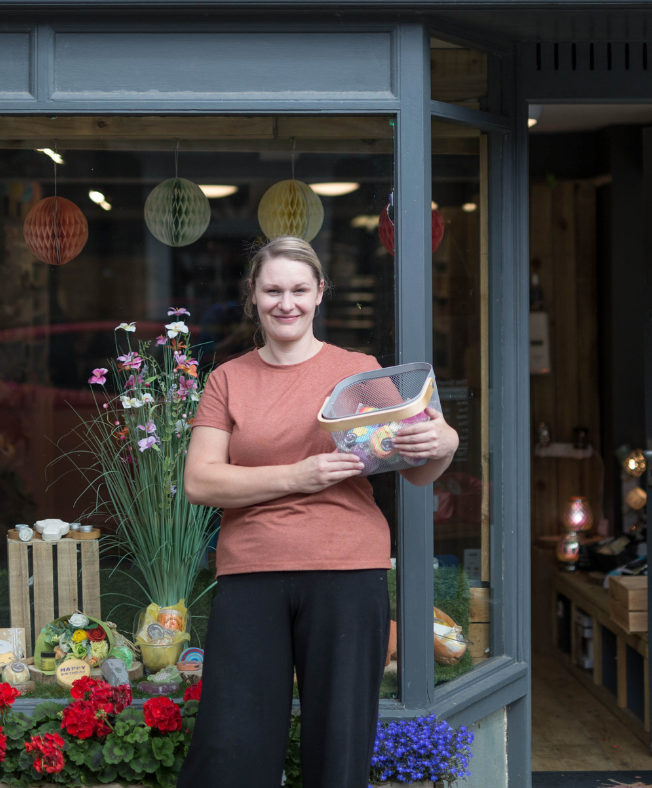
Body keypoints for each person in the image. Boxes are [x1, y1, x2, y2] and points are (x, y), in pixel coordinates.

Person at [178, 236, 460, 788]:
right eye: (273, 290)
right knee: (232, 743)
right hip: (252, 572)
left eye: (299, 290)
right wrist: (297, 476)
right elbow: (200, 481)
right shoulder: (228, 379)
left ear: (320, 293)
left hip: (348, 572)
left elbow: (417, 470)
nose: (287, 302)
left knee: (339, 746)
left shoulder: (361, 374)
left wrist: (443, 442)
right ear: (253, 296)